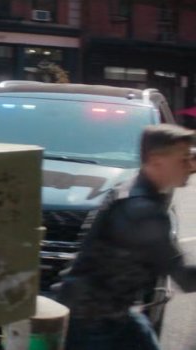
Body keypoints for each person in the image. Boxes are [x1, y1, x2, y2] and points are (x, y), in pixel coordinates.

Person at [57, 124, 196, 350]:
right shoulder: (141, 210)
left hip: (112, 313)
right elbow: (184, 278)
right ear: (156, 160)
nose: (190, 166)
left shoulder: (134, 191)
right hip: (94, 324)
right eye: (183, 159)